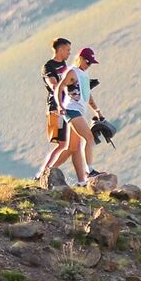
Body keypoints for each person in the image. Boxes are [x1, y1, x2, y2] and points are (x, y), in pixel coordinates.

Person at [52, 46, 101, 186]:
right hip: (71, 110)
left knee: (72, 148)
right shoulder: (72, 72)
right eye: (87, 61)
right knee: (89, 137)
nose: (88, 65)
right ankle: (89, 171)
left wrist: (97, 110)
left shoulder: (84, 74)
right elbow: (59, 88)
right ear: (80, 58)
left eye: (91, 63)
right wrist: (60, 105)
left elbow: (87, 94)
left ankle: (49, 171)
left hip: (79, 111)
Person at [35, 36, 72, 181]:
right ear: (60, 49)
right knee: (62, 143)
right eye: (68, 50)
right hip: (56, 107)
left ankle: (47, 172)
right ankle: (44, 173)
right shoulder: (48, 67)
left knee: (67, 144)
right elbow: (54, 85)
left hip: (67, 105)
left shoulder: (64, 64)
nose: (69, 53)